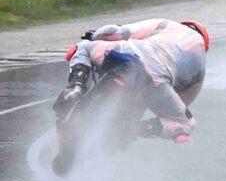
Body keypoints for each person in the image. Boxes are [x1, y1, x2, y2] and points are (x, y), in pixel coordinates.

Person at [55, 19, 209, 144]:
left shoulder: (168, 25)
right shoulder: (200, 67)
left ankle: (75, 87)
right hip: (156, 84)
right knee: (186, 124)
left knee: (84, 47)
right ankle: (132, 129)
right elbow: (182, 102)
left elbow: (115, 32)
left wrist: (95, 35)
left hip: (129, 54)